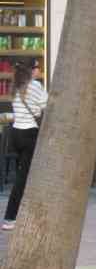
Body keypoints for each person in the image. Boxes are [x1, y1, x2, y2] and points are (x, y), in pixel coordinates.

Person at [2, 59, 47, 231]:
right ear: (31, 70)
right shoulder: (34, 85)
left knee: (25, 175)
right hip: (30, 133)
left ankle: (20, 214)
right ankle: (10, 217)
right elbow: (46, 104)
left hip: (17, 133)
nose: (38, 70)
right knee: (23, 178)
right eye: (36, 67)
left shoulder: (17, 85)